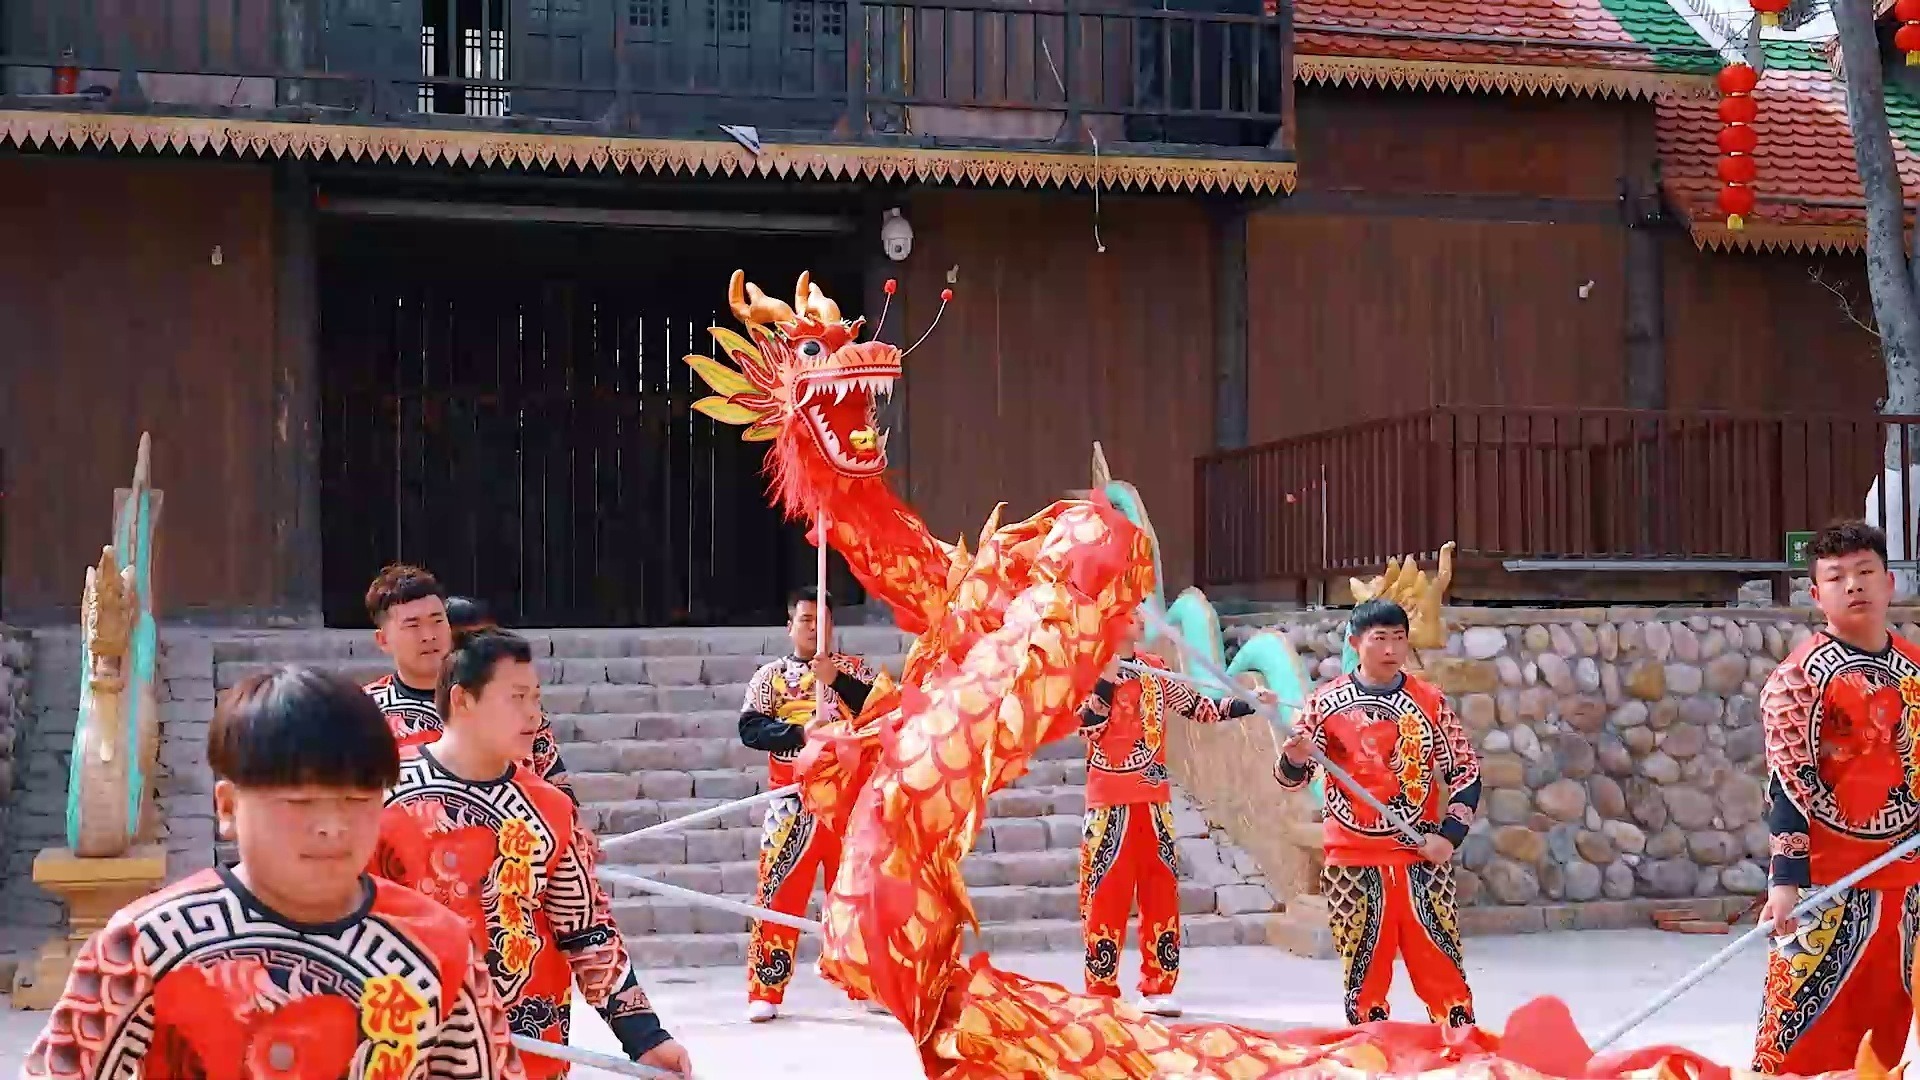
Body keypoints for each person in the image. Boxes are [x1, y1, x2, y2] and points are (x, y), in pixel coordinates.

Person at [21, 666, 525, 1079]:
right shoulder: (142, 945)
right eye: (300, 802)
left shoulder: (442, 947)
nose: (332, 827)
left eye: (357, 800)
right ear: (227, 807)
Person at [370, 628, 693, 1078]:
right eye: (516, 698)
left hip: (529, 1047)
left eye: (536, 698)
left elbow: (588, 930)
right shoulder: (381, 798)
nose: (533, 715)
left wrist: (646, 1037)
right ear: (463, 700)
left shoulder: (551, 809)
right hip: (412, 1044)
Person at [1752, 520, 1920, 1075]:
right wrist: (1784, 881)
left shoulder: (1915, 669)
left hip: (1908, 887)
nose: (1854, 585)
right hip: (1827, 887)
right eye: (1837, 576)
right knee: (1794, 1044)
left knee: (1883, 1043)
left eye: (1865, 571)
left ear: (1890, 583)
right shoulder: (1797, 679)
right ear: (1815, 593)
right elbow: (1787, 782)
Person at [1272, 597, 1481, 1028]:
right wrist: (1294, 757)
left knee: (1442, 963)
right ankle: (1372, 1046)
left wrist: (1449, 836)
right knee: (1364, 971)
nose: (1390, 649)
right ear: (1355, 643)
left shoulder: (1430, 702)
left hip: (1419, 854)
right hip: (1352, 857)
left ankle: (1458, 1047)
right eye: (1379, 639)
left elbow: (1464, 770)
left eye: (1399, 639)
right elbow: (1292, 778)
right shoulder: (1325, 703)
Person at [1074, 612, 1264, 1017]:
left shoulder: (1155, 670)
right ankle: (1101, 990)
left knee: (1160, 891)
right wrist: (1106, 681)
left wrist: (1249, 704)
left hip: (1154, 800)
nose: (1139, 618)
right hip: (1109, 803)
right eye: (1129, 612)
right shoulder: (1087, 668)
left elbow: (1199, 707)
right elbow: (1086, 728)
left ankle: (1158, 986)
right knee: (1105, 894)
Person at [737, 586, 879, 1022]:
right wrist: (800, 734)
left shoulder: (854, 670)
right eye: (805, 620)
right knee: (778, 891)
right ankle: (766, 988)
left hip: (848, 802)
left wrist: (835, 681)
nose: (814, 628)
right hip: (790, 801)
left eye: (822, 620)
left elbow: (880, 711)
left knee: (856, 891)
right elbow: (750, 729)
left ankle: (863, 982)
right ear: (789, 626)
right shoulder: (769, 678)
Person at [363, 568, 571, 797]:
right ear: (383, 639)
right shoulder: (365, 712)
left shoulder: (509, 698)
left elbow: (558, 790)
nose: (429, 635)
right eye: (413, 625)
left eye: (437, 621)